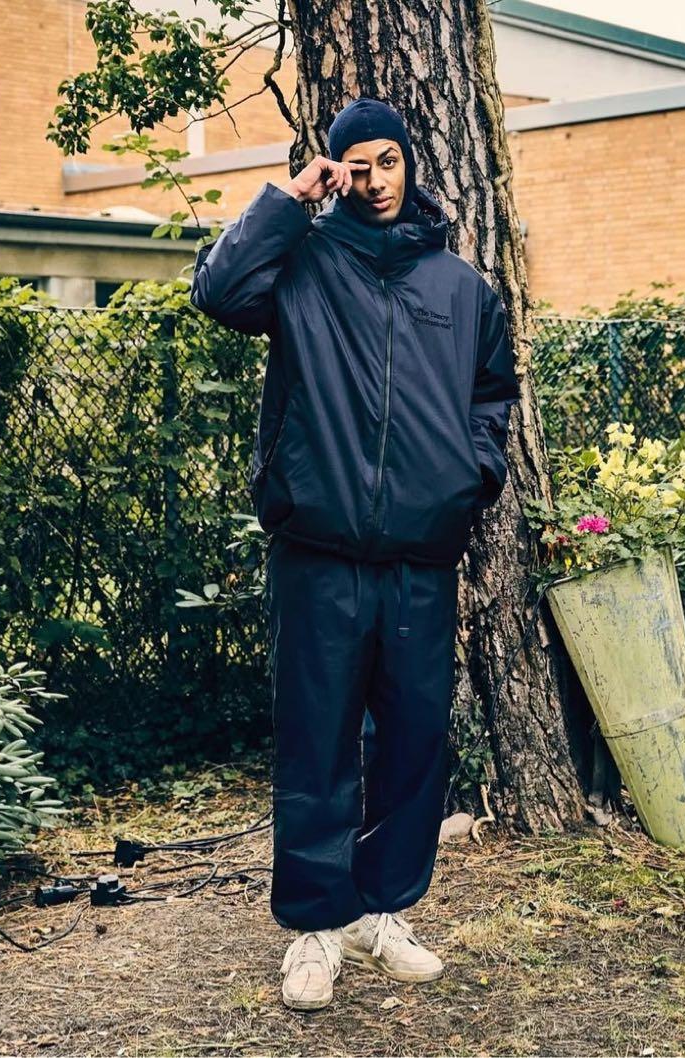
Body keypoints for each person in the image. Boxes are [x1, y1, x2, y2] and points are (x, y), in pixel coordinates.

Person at [190, 96, 519, 1011]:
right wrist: (289, 200)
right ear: (337, 172)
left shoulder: (461, 289)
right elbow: (217, 291)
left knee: (414, 743)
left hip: (421, 558)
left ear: (410, 163)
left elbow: (492, 396)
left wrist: (470, 476)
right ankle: (315, 928)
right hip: (319, 553)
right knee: (319, 741)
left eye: (388, 161)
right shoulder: (303, 264)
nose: (375, 180)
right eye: (357, 165)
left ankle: (382, 911)